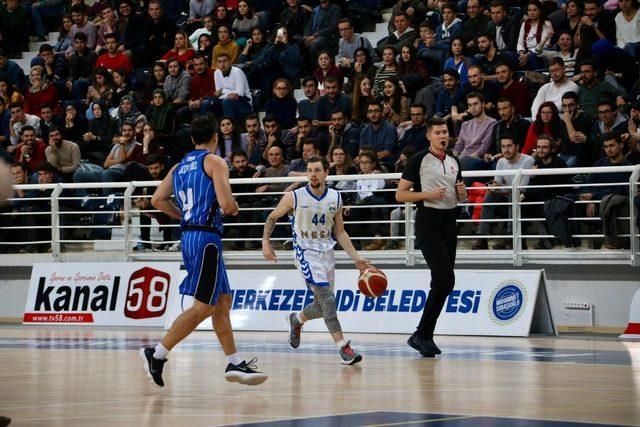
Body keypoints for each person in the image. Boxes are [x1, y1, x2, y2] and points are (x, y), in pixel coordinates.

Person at [141, 115, 268, 388]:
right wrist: (233, 207)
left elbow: (156, 199)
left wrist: (182, 216)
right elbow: (226, 203)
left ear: (191, 139)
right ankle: (157, 354)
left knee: (222, 301)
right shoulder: (215, 162)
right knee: (204, 306)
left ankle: (233, 361)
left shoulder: (179, 166)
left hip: (190, 236)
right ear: (215, 137)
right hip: (206, 239)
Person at [262, 155, 370, 365]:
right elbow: (272, 216)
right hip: (306, 253)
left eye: (317, 170)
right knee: (328, 301)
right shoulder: (294, 197)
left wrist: (357, 259)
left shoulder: (335, 198)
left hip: (327, 254)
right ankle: (343, 348)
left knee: (322, 307)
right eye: (309, 170)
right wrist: (265, 241)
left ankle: (296, 319)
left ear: (326, 173)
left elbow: (340, 232)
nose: (312, 174)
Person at [395, 116, 467, 357]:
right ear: (429, 136)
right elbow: (400, 195)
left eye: (445, 132)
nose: (442, 136)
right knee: (445, 279)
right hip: (428, 222)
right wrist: (427, 194)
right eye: (437, 132)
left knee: (443, 283)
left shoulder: (455, 160)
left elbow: (459, 196)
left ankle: (423, 335)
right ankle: (422, 334)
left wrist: (463, 194)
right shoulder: (418, 160)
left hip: (450, 221)